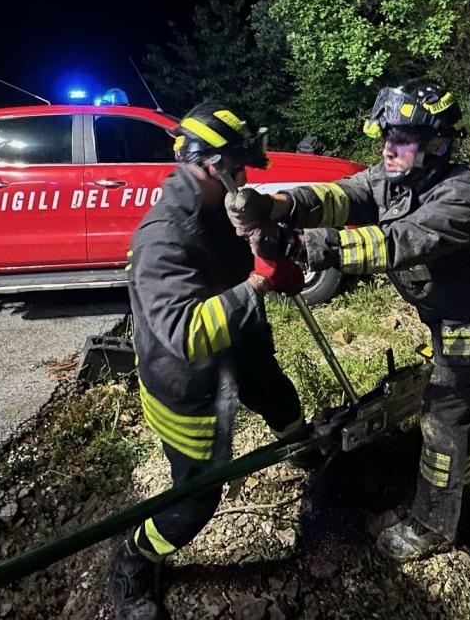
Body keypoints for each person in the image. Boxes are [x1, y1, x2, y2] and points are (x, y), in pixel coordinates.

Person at [228, 80, 470, 561]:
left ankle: (434, 524)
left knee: (445, 416)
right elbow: (342, 196)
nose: (389, 149)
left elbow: (394, 243)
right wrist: (277, 205)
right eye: (387, 137)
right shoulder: (394, 175)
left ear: (438, 144)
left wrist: (298, 245)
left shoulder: (463, 194)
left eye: (403, 140)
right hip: (453, 313)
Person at [108, 102, 309, 619]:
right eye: (240, 168)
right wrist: (257, 285)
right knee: (195, 501)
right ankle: (135, 559)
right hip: (188, 381)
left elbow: (240, 256)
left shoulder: (217, 205)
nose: (246, 178)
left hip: (239, 348)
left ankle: (304, 450)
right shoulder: (163, 237)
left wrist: (272, 259)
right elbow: (185, 333)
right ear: (212, 165)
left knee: (279, 398)